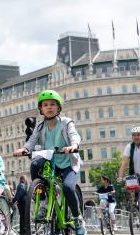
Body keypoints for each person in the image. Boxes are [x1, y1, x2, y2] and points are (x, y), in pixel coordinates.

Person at [14, 89, 85, 235]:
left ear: (58, 107)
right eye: (45, 105)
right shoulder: (40, 127)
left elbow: (74, 136)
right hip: (50, 162)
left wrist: (73, 146)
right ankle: (41, 200)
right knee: (34, 164)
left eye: (53, 104)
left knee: (68, 187)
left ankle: (78, 218)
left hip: (68, 164)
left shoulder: (66, 123)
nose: (49, 107)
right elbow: (31, 141)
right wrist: (24, 149)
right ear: (41, 109)